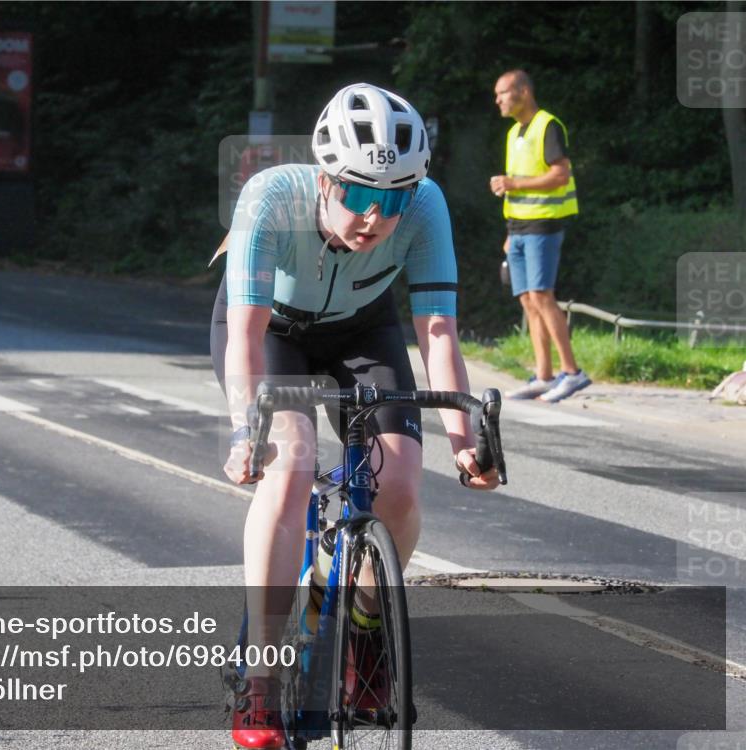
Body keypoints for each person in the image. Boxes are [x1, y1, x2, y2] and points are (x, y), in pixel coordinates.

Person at [210, 83, 499, 749]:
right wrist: (242, 432)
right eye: (358, 195)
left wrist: (463, 440)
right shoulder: (271, 199)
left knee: (398, 482)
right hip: (272, 332)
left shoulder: (426, 207)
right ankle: (258, 678)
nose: (374, 216)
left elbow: (438, 334)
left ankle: (365, 640)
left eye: (391, 198)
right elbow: (247, 338)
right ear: (323, 177)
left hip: (362, 330)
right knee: (293, 464)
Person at [489, 69, 591, 402]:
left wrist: (513, 183)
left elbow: (561, 175)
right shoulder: (514, 133)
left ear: (523, 92)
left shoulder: (548, 125)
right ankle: (544, 375)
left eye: (503, 93)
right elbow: (518, 183)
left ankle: (573, 373)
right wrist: (508, 231)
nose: (498, 100)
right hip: (518, 228)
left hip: (543, 225)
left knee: (542, 295)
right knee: (528, 300)